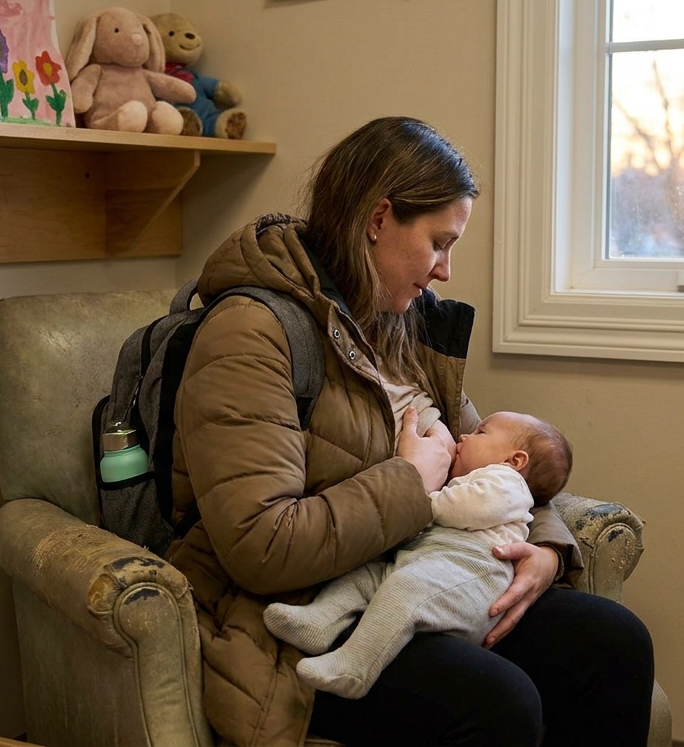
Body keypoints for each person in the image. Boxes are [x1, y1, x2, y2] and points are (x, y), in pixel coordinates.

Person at [164, 116, 654, 747]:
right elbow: (261, 547)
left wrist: (547, 551)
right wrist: (410, 483)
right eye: (439, 243)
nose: (446, 271)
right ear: (378, 218)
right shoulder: (251, 333)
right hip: (303, 613)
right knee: (499, 702)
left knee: (614, 643)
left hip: (426, 575)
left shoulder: (401, 325)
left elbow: (501, 453)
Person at [263, 411, 572, 700]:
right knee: (367, 577)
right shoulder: (488, 475)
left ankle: (354, 667)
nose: (463, 436)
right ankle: (318, 622)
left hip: (472, 573)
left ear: (515, 460)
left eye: (479, 432)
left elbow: (470, 507)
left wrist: (421, 500)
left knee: (405, 590)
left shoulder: (506, 482)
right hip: (430, 562)